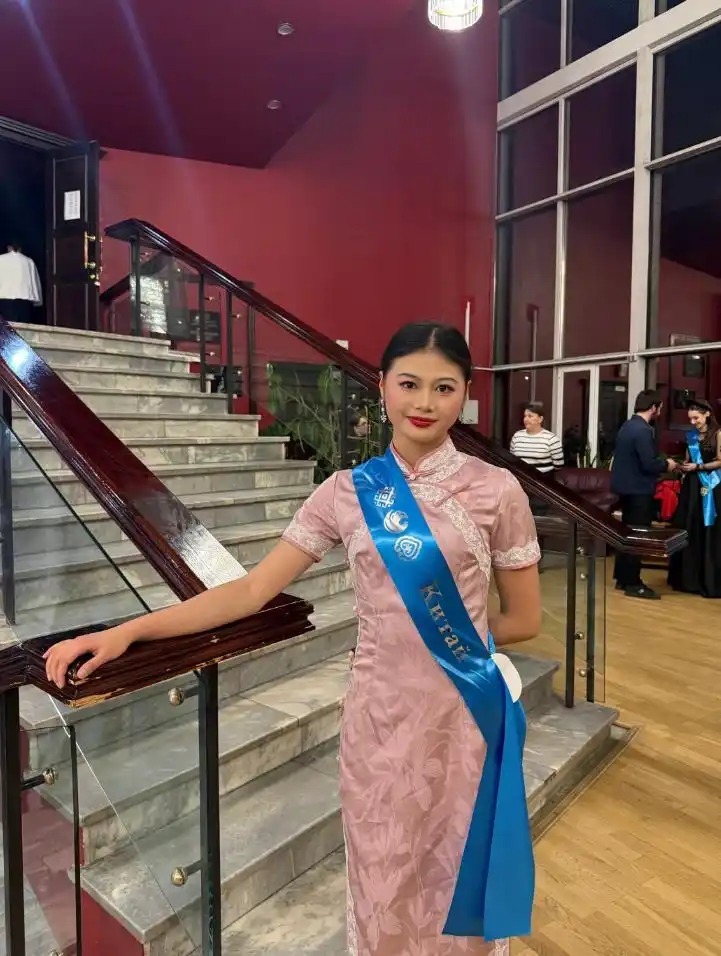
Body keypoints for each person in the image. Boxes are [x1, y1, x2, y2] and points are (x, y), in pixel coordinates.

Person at [45, 321, 542, 955]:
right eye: (409, 384)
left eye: (444, 388)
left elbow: (523, 619)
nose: (424, 403)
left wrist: (451, 646)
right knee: (384, 880)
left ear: (465, 393)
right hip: (379, 721)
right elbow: (251, 591)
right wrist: (127, 631)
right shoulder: (346, 493)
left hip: (464, 717)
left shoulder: (496, 490)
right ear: (381, 386)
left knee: (459, 881)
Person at [611, 389, 677, 600]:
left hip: (626, 489)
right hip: (639, 490)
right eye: (660, 407)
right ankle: (633, 583)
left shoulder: (628, 426)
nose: (660, 411)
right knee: (638, 536)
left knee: (627, 535)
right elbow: (649, 463)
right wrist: (668, 464)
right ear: (653, 407)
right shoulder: (643, 430)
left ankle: (623, 578)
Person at [667, 399, 721, 598]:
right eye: (690, 419)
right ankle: (687, 580)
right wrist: (682, 467)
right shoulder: (691, 436)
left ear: (707, 414)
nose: (693, 422)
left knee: (708, 529)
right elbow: (688, 460)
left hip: (712, 486)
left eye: (696, 418)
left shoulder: (718, 434)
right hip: (691, 487)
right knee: (689, 526)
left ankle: (709, 580)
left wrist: (699, 467)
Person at [510, 402, 564, 474]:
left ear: (540, 419)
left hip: (542, 479)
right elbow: (512, 459)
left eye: (530, 416)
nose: (526, 419)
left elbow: (558, 466)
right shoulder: (517, 436)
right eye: (525, 416)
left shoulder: (552, 439)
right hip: (519, 477)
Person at [0, 240, 43, 324]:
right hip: (24, 299)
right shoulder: (29, 261)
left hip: (5, 298)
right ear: (20, 249)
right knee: (23, 326)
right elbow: (35, 282)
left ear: (8, 248)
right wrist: (38, 301)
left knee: (8, 326)